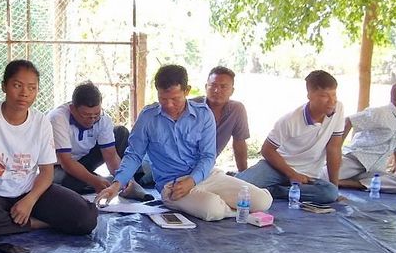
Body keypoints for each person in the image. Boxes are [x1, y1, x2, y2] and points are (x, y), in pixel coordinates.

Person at [99, 65, 273, 221]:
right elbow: (134, 155)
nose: (168, 104)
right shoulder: (148, 117)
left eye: (175, 98)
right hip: (171, 185)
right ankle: (238, 213)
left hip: (205, 175)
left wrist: (193, 180)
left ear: (187, 91)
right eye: (163, 99)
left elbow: (208, 156)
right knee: (212, 209)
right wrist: (117, 184)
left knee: (262, 201)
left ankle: (224, 206)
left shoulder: (203, 115)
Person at [0, 60, 98, 236]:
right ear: (4, 86)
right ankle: (37, 223)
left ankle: (18, 220)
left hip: (30, 191)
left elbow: (47, 172)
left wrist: (29, 200)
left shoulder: (41, 122)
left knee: (86, 218)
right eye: (17, 85)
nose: (24, 93)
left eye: (32, 88)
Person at [235, 70, 346, 204]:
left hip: (307, 174)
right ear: (309, 95)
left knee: (329, 193)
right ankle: (272, 188)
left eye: (334, 94)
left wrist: (335, 188)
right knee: (238, 186)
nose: (332, 101)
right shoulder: (289, 120)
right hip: (277, 167)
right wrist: (292, 174)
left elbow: (334, 148)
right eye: (324, 96)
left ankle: (272, 191)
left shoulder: (338, 109)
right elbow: (267, 150)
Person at [49, 81, 131, 195]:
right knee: (70, 184)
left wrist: (123, 179)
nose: (92, 119)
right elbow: (66, 161)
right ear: (72, 109)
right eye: (86, 115)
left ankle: (107, 180)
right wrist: (94, 180)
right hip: (59, 165)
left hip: (84, 159)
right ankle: (95, 180)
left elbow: (111, 155)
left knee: (121, 133)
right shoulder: (57, 119)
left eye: (96, 114)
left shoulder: (103, 118)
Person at [335, 80, 396, 193]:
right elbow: (348, 121)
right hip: (356, 161)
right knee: (321, 178)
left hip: (373, 171)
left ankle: (345, 183)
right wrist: (336, 152)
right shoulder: (381, 113)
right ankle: (337, 180)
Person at [189, 66, 251, 171]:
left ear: (232, 91)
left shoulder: (236, 110)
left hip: (203, 168)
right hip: (175, 162)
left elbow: (239, 142)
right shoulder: (190, 107)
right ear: (206, 87)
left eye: (223, 87)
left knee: (246, 186)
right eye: (213, 85)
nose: (217, 90)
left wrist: (243, 174)